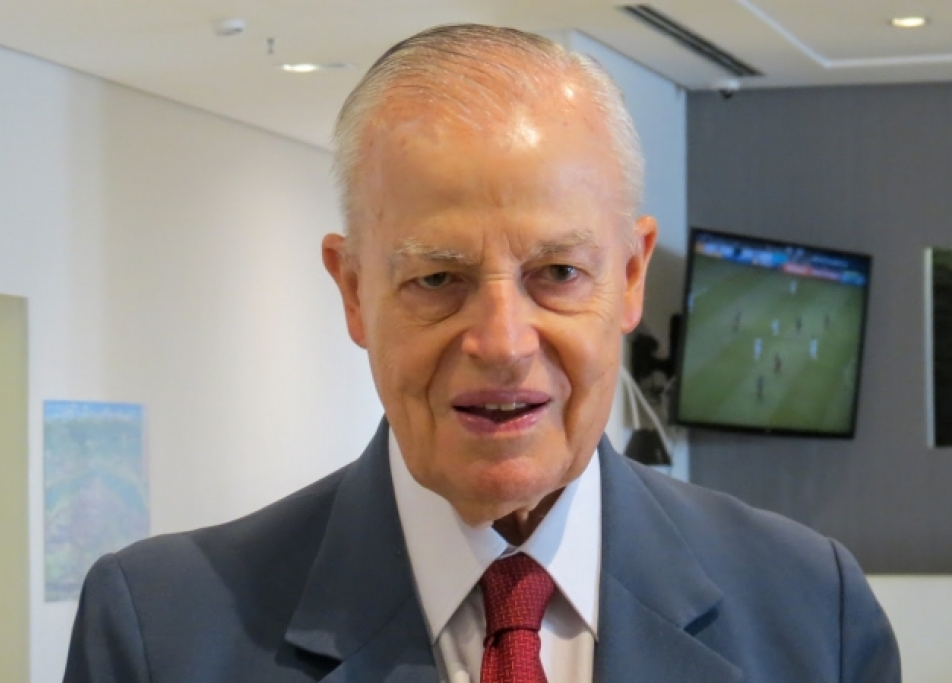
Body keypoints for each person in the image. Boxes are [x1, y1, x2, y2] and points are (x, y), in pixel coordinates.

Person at [64, 24, 900, 683]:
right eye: (437, 278)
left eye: (558, 273)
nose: (502, 343)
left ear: (631, 275)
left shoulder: (808, 609)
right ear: (353, 290)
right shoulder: (160, 631)